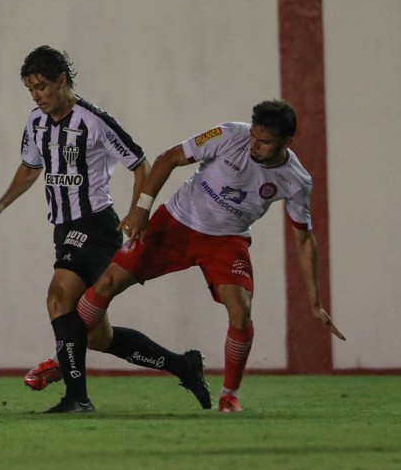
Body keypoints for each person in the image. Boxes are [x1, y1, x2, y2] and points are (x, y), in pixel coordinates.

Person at [26, 99, 346, 413]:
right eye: (254, 137)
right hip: (175, 224)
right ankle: (62, 362)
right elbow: (168, 159)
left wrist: (315, 300)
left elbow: (304, 240)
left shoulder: (296, 180)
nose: (255, 146)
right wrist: (142, 209)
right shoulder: (228, 135)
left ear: (287, 142)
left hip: (226, 241)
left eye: (265, 142)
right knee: (106, 284)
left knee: (241, 309)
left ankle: (229, 396)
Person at [0, 46, 211, 413]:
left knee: (58, 298)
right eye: (30, 89)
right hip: (63, 228)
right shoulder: (35, 123)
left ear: (62, 81)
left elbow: (140, 163)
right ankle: (182, 365)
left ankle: (77, 398)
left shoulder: (94, 120)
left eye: (42, 86)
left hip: (95, 225)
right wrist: (0, 204)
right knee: (98, 336)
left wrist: (138, 211)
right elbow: (30, 168)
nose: (37, 95)